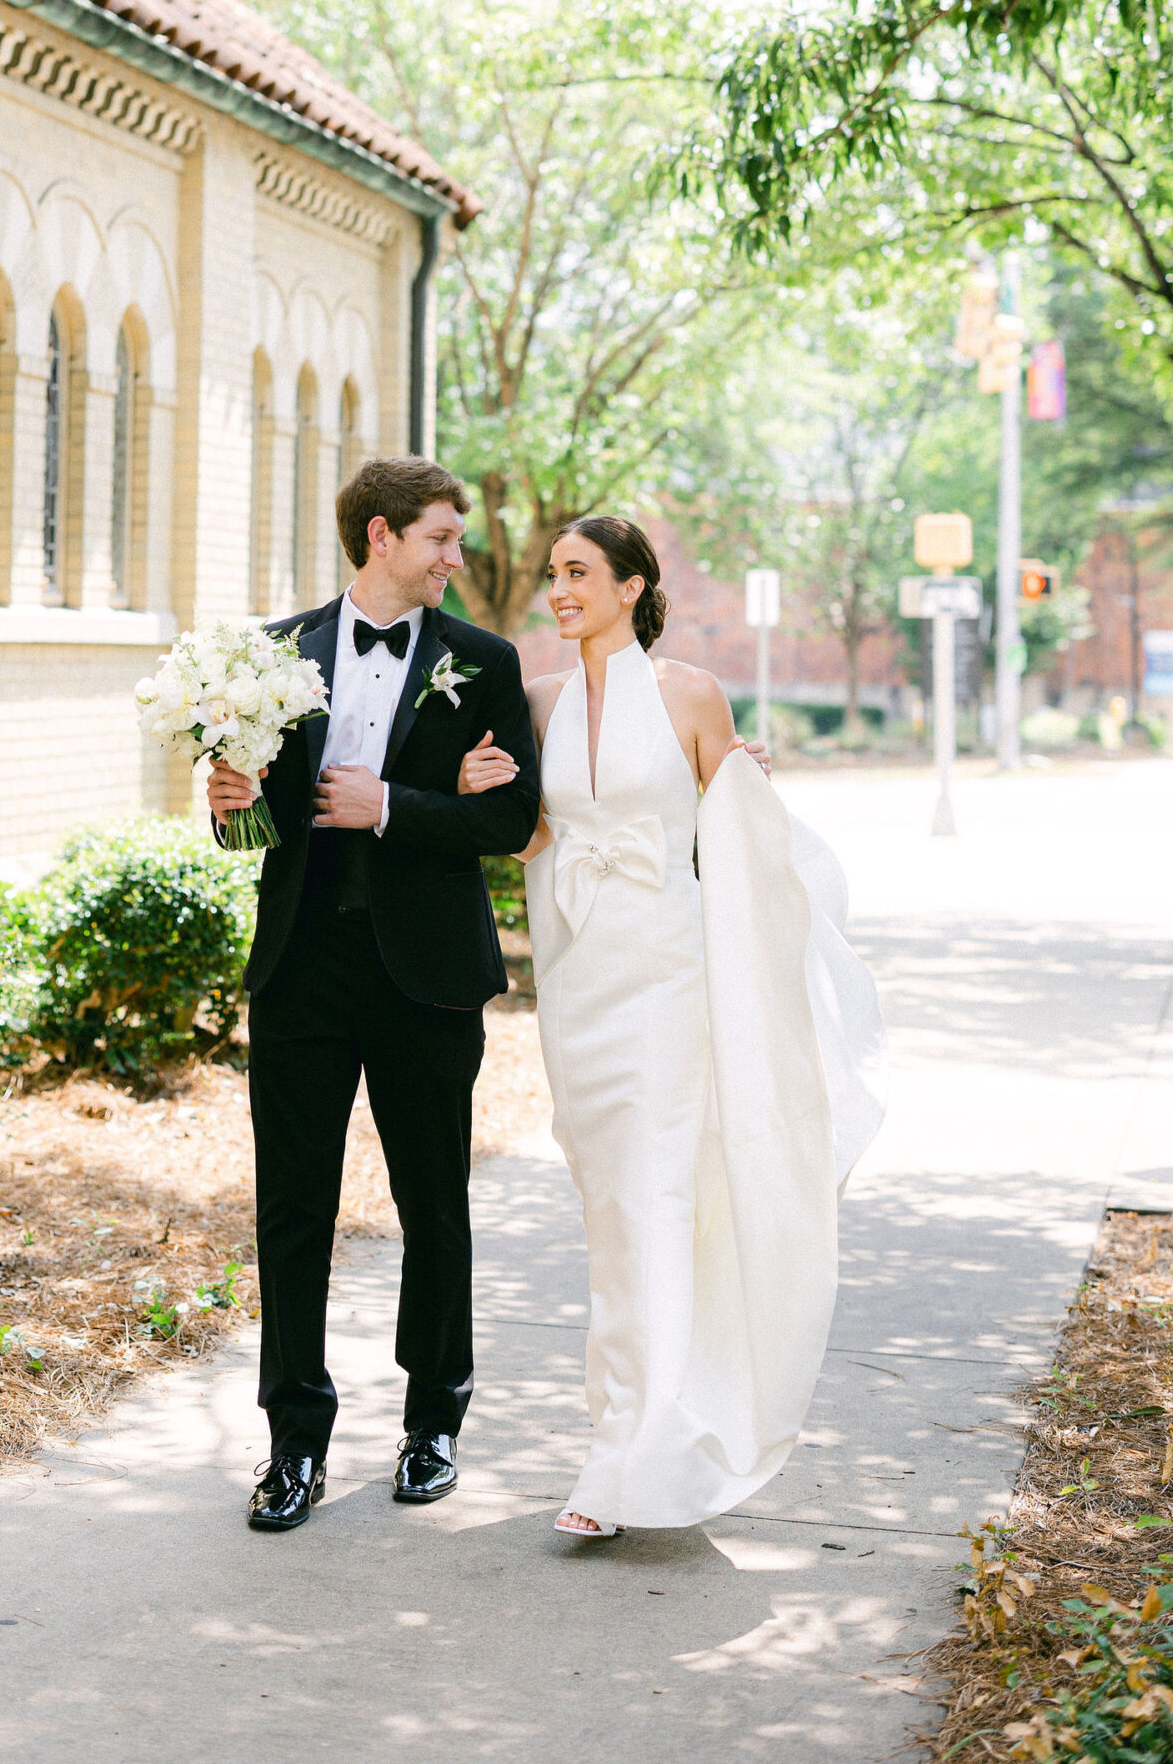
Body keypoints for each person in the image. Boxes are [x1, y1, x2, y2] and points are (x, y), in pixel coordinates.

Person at [457, 516, 886, 1539]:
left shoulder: (692, 692)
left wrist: (750, 783)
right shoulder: (537, 700)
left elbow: (733, 832)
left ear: (630, 585)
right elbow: (531, 841)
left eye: (577, 574)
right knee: (614, 1207)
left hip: (669, 978)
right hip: (577, 980)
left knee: (656, 1197)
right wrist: (481, 791)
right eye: (555, 575)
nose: (558, 591)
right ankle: (642, 1427)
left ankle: (626, 1461)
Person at [207, 456, 540, 1535]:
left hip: (429, 973)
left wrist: (392, 804)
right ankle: (293, 1441)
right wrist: (229, 803)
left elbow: (508, 820)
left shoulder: (483, 664)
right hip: (301, 964)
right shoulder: (271, 655)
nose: (458, 556)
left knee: (432, 1201)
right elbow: (246, 832)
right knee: (293, 1208)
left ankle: (434, 1422)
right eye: (443, 537)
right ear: (382, 536)